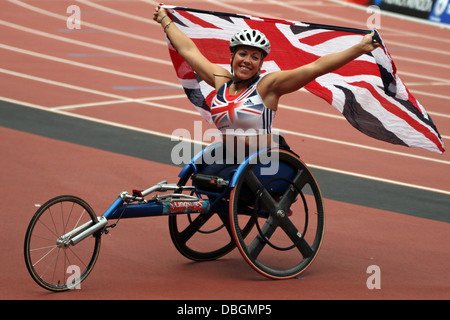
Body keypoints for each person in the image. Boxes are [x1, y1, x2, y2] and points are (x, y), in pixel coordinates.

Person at [153, 5, 379, 177]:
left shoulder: (267, 86)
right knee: (196, 175)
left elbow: (315, 68)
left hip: (265, 164)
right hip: (231, 158)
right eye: (242, 54)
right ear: (232, 56)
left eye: (254, 57)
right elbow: (190, 51)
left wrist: (360, 47)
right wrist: (165, 20)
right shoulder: (221, 81)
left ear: (261, 63)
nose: (247, 61)